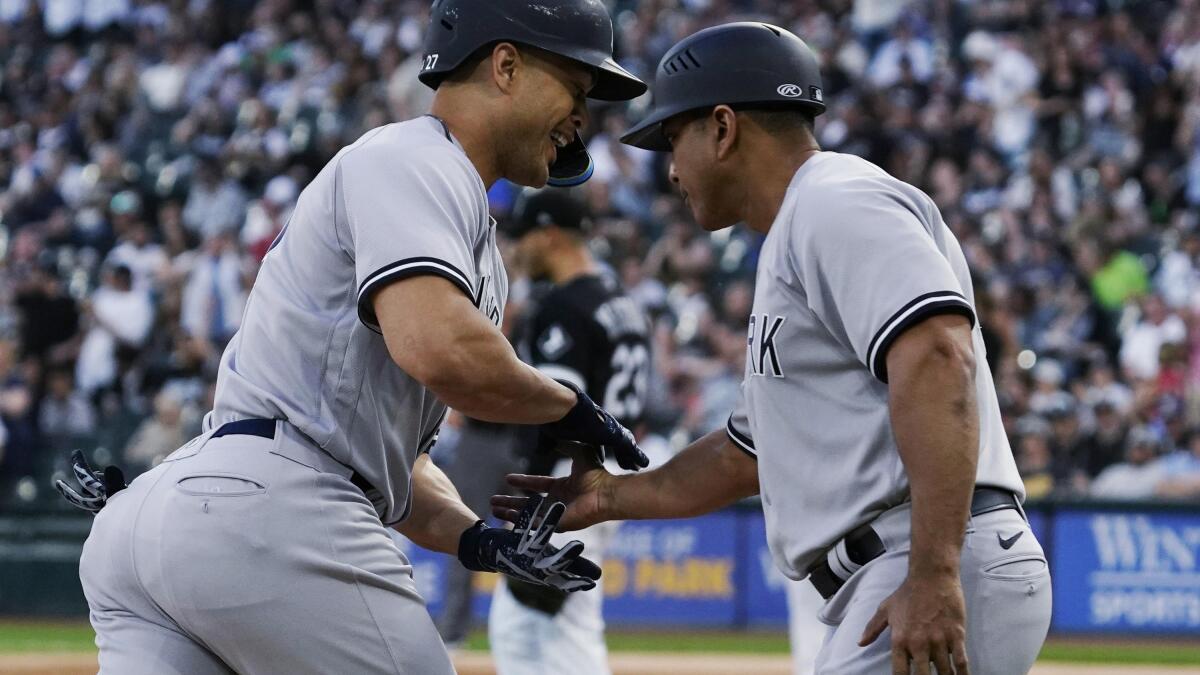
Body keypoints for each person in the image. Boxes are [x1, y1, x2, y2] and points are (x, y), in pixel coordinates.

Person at [55, 1, 649, 673]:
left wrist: (479, 540)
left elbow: (400, 465)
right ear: (505, 65)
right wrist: (569, 405)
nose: (583, 117)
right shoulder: (414, 157)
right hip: (273, 508)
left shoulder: (459, 227)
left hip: (186, 510)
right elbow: (440, 350)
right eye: (575, 86)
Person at [494, 23, 1051, 675]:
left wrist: (934, 571)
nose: (671, 169)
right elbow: (742, 455)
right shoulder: (798, 231)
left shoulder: (834, 201)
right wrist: (610, 496)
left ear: (723, 128)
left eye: (675, 138)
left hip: (923, 554)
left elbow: (937, 357)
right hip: (901, 562)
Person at [487, 187, 651, 675]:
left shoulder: (564, 306)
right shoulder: (622, 302)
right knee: (559, 626)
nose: (518, 248)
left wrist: (532, 484)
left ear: (551, 234)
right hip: (609, 477)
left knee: (533, 631)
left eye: (526, 236)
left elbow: (559, 409)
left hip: (566, 482)